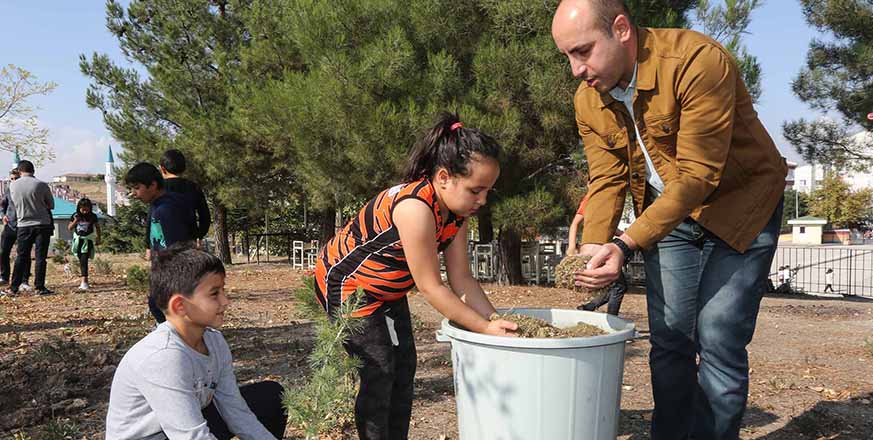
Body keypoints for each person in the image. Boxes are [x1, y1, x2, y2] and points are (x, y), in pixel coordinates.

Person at [552, 1, 788, 439]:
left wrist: (624, 244)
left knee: (717, 334)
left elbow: (699, 175)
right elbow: (606, 176)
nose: (575, 69)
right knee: (671, 338)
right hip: (668, 215)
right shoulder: (588, 99)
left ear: (621, 29)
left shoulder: (698, 61)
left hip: (740, 203)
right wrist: (593, 245)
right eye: (567, 55)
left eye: (582, 51)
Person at [313, 112, 518, 440]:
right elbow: (430, 286)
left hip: (386, 291)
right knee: (379, 370)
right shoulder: (415, 208)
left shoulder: (457, 214)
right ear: (443, 177)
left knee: (404, 366)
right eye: (476, 190)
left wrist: (495, 320)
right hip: (347, 284)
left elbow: (462, 279)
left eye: (488, 192)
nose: (482, 200)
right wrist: (483, 327)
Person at [105, 245, 286, 439]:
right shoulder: (163, 357)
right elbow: (191, 436)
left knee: (269, 396)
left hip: (181, 427)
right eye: (214, 293)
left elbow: (236, 412)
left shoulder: (214, 341)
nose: (226, 301)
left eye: (223, 290)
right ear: (180, 305)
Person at [125, 162, 195, 323]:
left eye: (137, 188)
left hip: (172, 275)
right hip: (165, 272)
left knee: (162, 308)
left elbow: (176, 249)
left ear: (153, 185)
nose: (134, 194)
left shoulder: (167, 210)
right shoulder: (160, 205)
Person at [2, 160, 55, 296]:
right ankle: (40, 287)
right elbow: (50, 205)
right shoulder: (41, 185)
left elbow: (11, 205)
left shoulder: (13, 187)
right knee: (40, 257)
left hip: (23, 225)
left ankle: (14, 287)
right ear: (33, 170)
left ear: (20, 171)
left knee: (21, 256)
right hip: (42, 224)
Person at [143, 149, 211, 250]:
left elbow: (151, 218)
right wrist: (199, 235)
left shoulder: (158, 189)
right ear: (183, 168)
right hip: (188, 241)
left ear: (162, 168)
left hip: (163, 243)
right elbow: (205, 216)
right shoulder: (193, 187)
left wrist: (148, 245)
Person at [0, 168, 31, 289]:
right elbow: (3, 205)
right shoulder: (8, 190)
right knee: (3, 251)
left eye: (16, 179)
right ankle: (4, 276)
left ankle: (24, 280)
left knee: (24, 253)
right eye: (11, 179)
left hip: (23, 225)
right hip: (10, 225)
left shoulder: (26, 190)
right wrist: (3, 215)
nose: (13, 181)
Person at [68, 198, 101, 291]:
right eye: (83, 209)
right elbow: (69, 227)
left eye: (87, 209)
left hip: (88, 240)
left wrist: (98, 238)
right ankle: (84, 280)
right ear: (79, 208)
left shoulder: (93, 216)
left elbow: (97, 227)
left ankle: (85, 281)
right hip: (78, 241)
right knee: (80, 259)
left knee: (84, 259)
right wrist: (75, 221)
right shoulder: (75, 216)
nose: (85, 211)